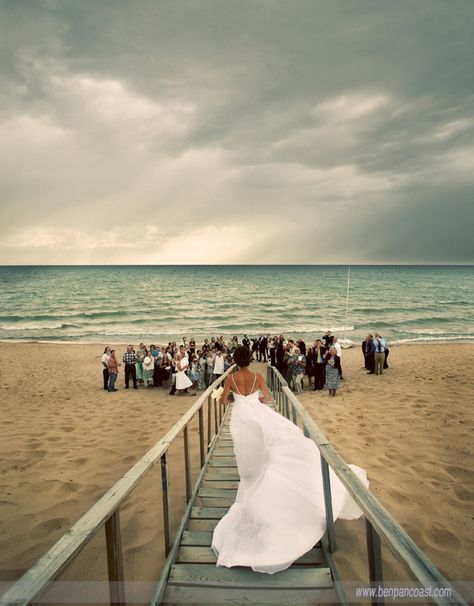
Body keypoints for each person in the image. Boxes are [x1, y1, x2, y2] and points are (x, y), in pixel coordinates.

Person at [211, 346, 368, 573]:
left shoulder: (232, 378)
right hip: (257, 413)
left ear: (235, 360)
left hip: (241, 419)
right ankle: (264, 481)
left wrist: (230, 398)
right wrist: (255, 401)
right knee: (267, 449)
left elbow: (225, 401)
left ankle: (252, 482)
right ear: (250, 359)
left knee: (246, 453)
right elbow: (267, 397)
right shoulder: (256, 376)